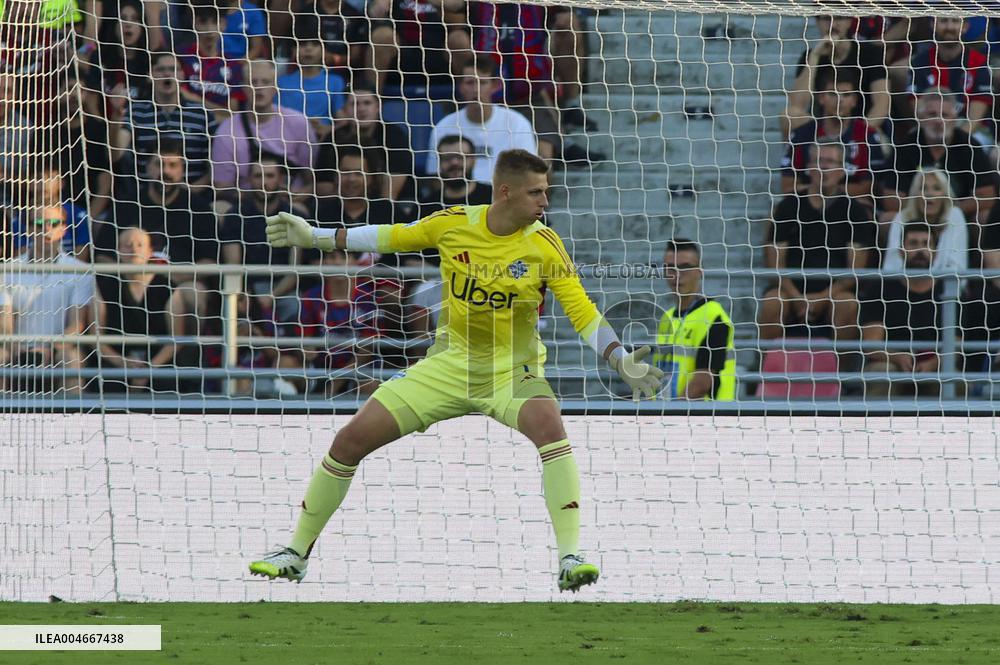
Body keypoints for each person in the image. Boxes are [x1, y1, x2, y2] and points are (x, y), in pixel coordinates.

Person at [249, 149, 664, 591]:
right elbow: (394, 236)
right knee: (350, 440)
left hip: (512, 371)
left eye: (547, 192)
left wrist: (620, 359)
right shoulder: (454, 223)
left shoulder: (544, 244)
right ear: (505, 192)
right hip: (448, 366)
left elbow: (582, 311)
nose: (545, 202)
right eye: (536, 193)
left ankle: (570, 557)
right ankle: (295, 552)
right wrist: (316, 236)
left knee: (550, 426)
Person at [758, 139, 876, 342]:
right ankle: (766, 369)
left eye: (831, 162)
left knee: (847, 304)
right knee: (772, 302)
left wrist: (823, 297)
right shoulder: (788, 206)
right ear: (809, 167)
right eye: (819, 161)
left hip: (836, 291)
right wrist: (796, 297)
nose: (824, 168)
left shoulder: (855, 211)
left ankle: (842, 372)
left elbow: (855, 271)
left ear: (842, 170)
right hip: (789, 289)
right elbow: (774, 265)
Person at [0, 211, 94, 395]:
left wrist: (49, 347)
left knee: (71, 358)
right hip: (16, 346)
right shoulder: (7, 270)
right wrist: (17, 347)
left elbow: (76, 325)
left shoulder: (80, 270)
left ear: (64, 229)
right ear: (28, 229)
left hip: (59, 348)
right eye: (40, 223)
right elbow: (5, 324)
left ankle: (75, 420)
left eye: (54, 223)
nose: (46, 229)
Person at [887, 89, 998, 227]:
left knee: (985, 217)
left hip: (959, 216)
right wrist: (924, 210)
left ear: (955, 119)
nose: (939, 121)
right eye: (932, 114)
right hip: (914, 217)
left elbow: (986, 196)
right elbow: (890, 198)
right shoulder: (906, 146)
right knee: (888, 218)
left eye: (944, 115)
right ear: (921, 118)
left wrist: (948, 211)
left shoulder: (969, 146)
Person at [95, 228, 185, 393]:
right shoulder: (104, 286)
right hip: (117, 361)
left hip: (159, 362)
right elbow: (97, 339)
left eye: (139, 245)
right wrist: (123, 363)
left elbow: (176, 341)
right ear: (118, 251)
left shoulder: (168, 287)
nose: (133, 250)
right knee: (110, 384)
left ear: (150, 251)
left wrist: (148, 369)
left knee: (165, 385)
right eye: (127, 245)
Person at [211, 59, 317, 196]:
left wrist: (299, 196)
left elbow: (313, 179)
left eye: (265, 82)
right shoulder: (226, 131)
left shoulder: (299, 123)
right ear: (244, 88)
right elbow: (222, 187)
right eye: (253, 82)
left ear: (275, 88)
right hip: (245, 205)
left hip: (291, 204)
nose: (259, 88)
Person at [861, 223, 943, 398]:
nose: (920, 249)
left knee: (955, 380)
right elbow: (871, 344)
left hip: (934, 364)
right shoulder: (880, 288)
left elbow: (956, 345)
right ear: (900, 251)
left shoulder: (948, 289)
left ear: (935, 253)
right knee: (883, 373)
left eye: (926, 243)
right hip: (890, 361)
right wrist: (897, 358)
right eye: (913, 243)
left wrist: (933, 364)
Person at [425, 55, 538, 182]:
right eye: (470, 83)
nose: (476, 90)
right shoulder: (444, 127)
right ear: (461, 86)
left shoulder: (517, 124)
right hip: (459, 198)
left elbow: (529, 175)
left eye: (482, 83)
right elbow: (435, 178)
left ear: (495, 86)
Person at [782, 68, 886, 200]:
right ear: (821, 98)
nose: (839, 100)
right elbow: (788, 186)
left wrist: (828, 192)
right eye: (832, 94)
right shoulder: (802, 134)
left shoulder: (867, 135)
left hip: (852, 204)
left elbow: (870, 187)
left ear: (854, 100)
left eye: (846, 95)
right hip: (807, 204)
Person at [653, 239, 736, 401]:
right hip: (668, 414)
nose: (676, 275)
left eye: (684, 267)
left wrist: (671, 415)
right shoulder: (667, 317)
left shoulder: (714, 316)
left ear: (700, 271)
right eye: (670, 267)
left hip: (707, 418)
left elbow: (702, 382)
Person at [785, 15, 890, 137]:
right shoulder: (810, 56)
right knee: (789, 115)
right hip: (823, 131)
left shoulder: (870, 53)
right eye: (826, 18)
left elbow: (882, 104)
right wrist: (815, 57)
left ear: (850, 21)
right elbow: (797, 106)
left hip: (862, 130)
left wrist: (856, 134)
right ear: (817, 21)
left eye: (839, 18)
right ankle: (794, 155)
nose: (833, 25)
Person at [126, 51, 218, 188]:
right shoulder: (136, 111)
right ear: (150, 75)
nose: (167, 74)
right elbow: (116, 153)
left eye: (173, 69)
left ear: (182, 75)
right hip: (145, 201)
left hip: (193, 200)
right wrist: (116, 116)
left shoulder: (202, 114)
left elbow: (216, 164)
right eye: (161, 69)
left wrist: (191, 193)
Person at [317, 86, 413, 202]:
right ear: (345, 109)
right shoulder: (332, 138)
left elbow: (389, 195)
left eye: (367, 103)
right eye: (355, 104)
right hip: (340, 208)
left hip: (393, 206)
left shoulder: (395, 136)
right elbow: (323, 188)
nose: (361, 109)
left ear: (378, 107)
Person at [905, 16, 992, 140]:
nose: (949, 27)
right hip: (930, 126)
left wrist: (954, 142)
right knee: (906, 145)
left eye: (955, 21)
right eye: (944, 21)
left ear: (965, 27)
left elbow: (975, 119)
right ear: (933, 25)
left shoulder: (979, 62)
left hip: (971, 131)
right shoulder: (919, 63)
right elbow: (920, 112)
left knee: (994, 152)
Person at [276, 15, 348, 144]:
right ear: (294, 50)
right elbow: (274, 119)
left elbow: (343, 122)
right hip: (287, 141)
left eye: (314, 44)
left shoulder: (335, 82)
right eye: (303, 44)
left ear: (323, 50)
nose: (308, 49)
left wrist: (328, 129)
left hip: (323, 142)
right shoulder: (281, 83)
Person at [882, 169, 967, 274]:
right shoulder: (902, 217)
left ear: (945, 194)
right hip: (903, 285)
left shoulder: (954, 216)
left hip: (944, 287)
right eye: (923, 188)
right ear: (915, 193)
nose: (929, 194)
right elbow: (891, 265)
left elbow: (957, 266)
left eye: (936, 188)